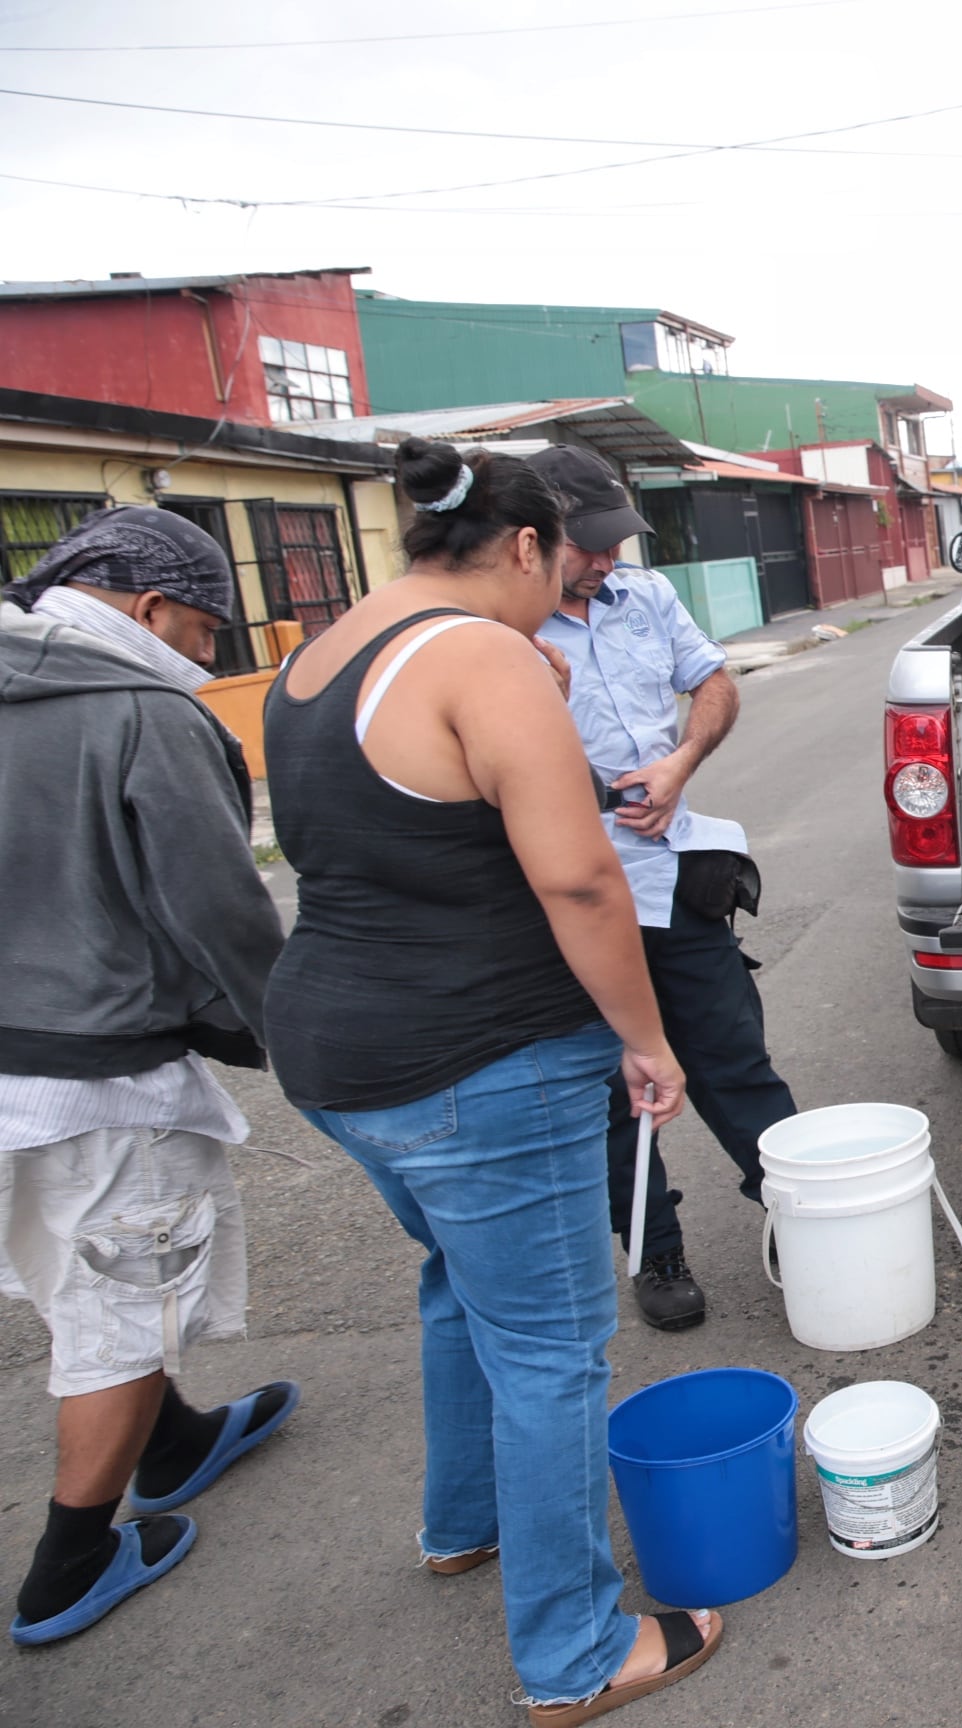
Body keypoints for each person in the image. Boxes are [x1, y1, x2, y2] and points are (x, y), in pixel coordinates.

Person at [263, 440, 721, 1721]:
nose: (570, 594)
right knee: (554, 1351)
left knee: (460, 1288)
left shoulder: (320, 656)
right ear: (523, 548)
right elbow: (578, 880)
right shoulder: (485, 657)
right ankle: (575, 1654)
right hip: (480, 1063)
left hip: (334, 1055)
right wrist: (645, 1037)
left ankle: (462, 1523)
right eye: (566, 569)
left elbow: (389, 832)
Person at [0, 508, 298, 1646]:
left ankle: (173, 1440)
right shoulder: (140, 711)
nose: (207, 658)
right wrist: (294, 1039)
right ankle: (70, 1562)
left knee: (72, 1270)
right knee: (122, 1308)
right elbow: (217, 909)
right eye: (204, 630)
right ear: (144, 608)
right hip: (90, 1076)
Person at [525, 444, 797, 1332]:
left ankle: (796, 1212)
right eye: (588, 545)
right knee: (611, 1087)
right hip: (567, 891)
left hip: (674, 868)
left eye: (615, 541)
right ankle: (656, 1248)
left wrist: (681, 761)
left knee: (731, 1054)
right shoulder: (500, 632)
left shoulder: (645, 596)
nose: (606, 560)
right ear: (531, 539)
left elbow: (713, 681)